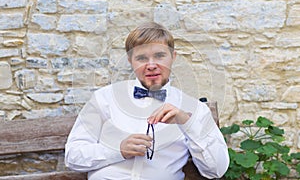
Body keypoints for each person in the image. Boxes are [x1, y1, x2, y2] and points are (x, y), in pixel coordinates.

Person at [65, 22, 229, 180]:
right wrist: (117, 150)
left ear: (173, 56)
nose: (151, 65)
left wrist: (187, 123)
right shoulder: (104, 98)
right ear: (130, 61)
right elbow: (72, 156)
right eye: (142, 58)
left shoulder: (194, 109)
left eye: (159, 55)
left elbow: (216, 170)